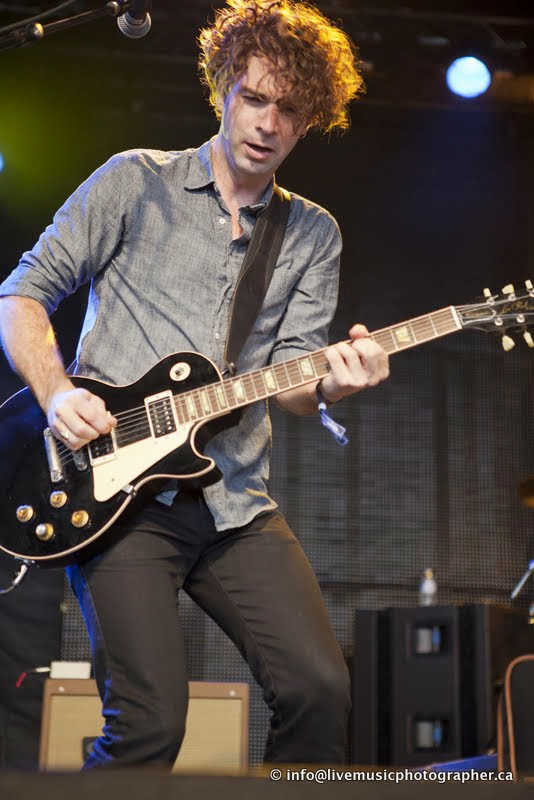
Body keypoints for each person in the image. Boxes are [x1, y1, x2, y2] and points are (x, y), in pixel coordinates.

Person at [0, 0, 389, 769]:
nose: (268, 124)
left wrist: (332, 387)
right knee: (150, 725)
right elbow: (21, 295)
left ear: (310, 120)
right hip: (114, 499)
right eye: (254, 98)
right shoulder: (133, 182)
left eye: (290, 110)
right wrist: (56, 393)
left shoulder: (313, 233)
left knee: (320, 691)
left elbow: (291, 380)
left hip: (233, 501)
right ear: (220, 89)